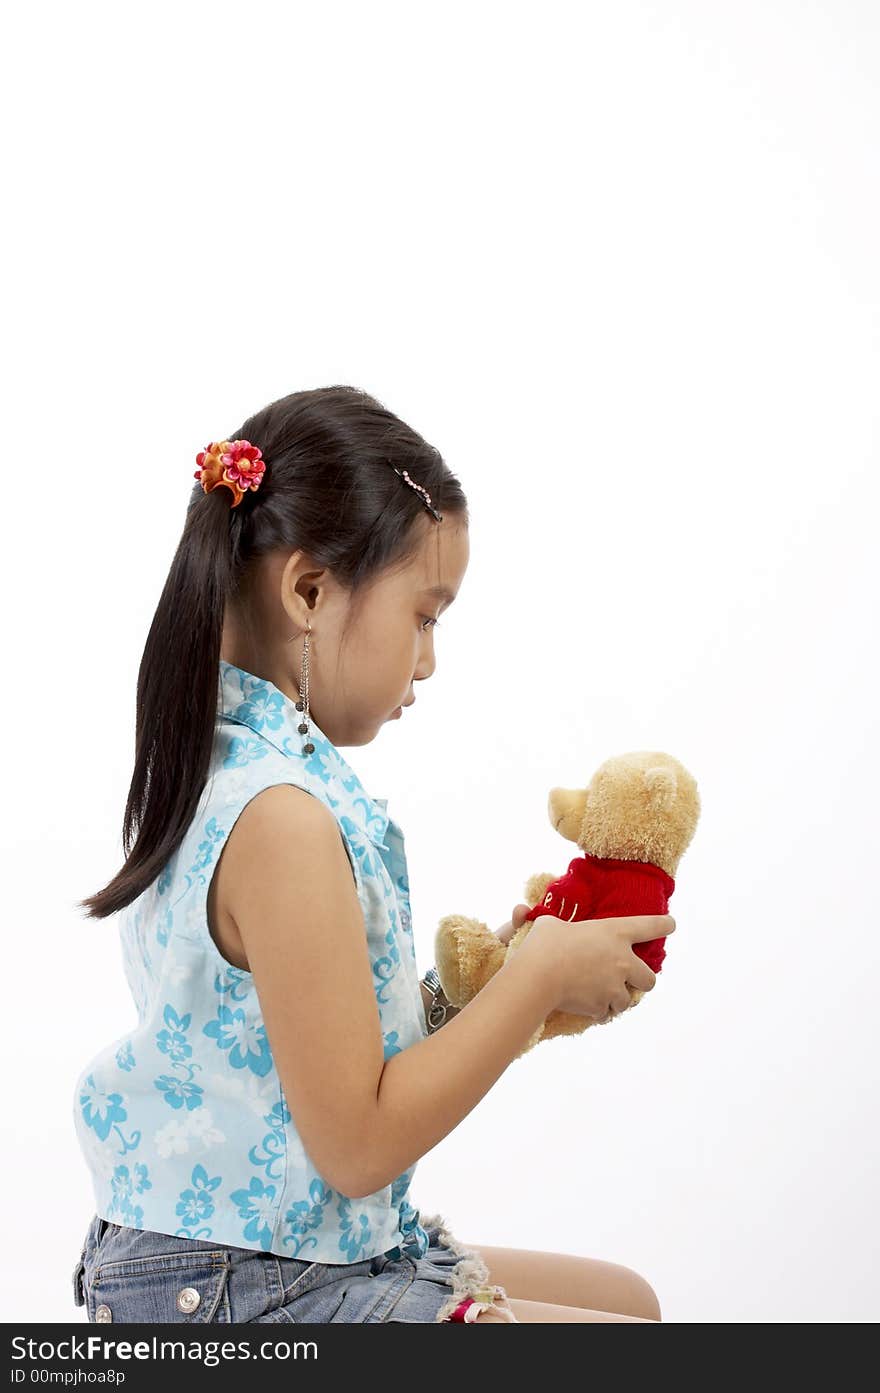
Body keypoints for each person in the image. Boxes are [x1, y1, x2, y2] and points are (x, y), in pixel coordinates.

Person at [70, 384, 675, 1324]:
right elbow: (359, 1144)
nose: (428, 660)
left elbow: (317, 1058)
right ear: (308, 590)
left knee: (627, 1303)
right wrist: (538, 979)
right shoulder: (279, 818)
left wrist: (484, 990)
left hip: (288, 1245)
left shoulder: (237, 762)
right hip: (238, 1285)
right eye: (425, 616)